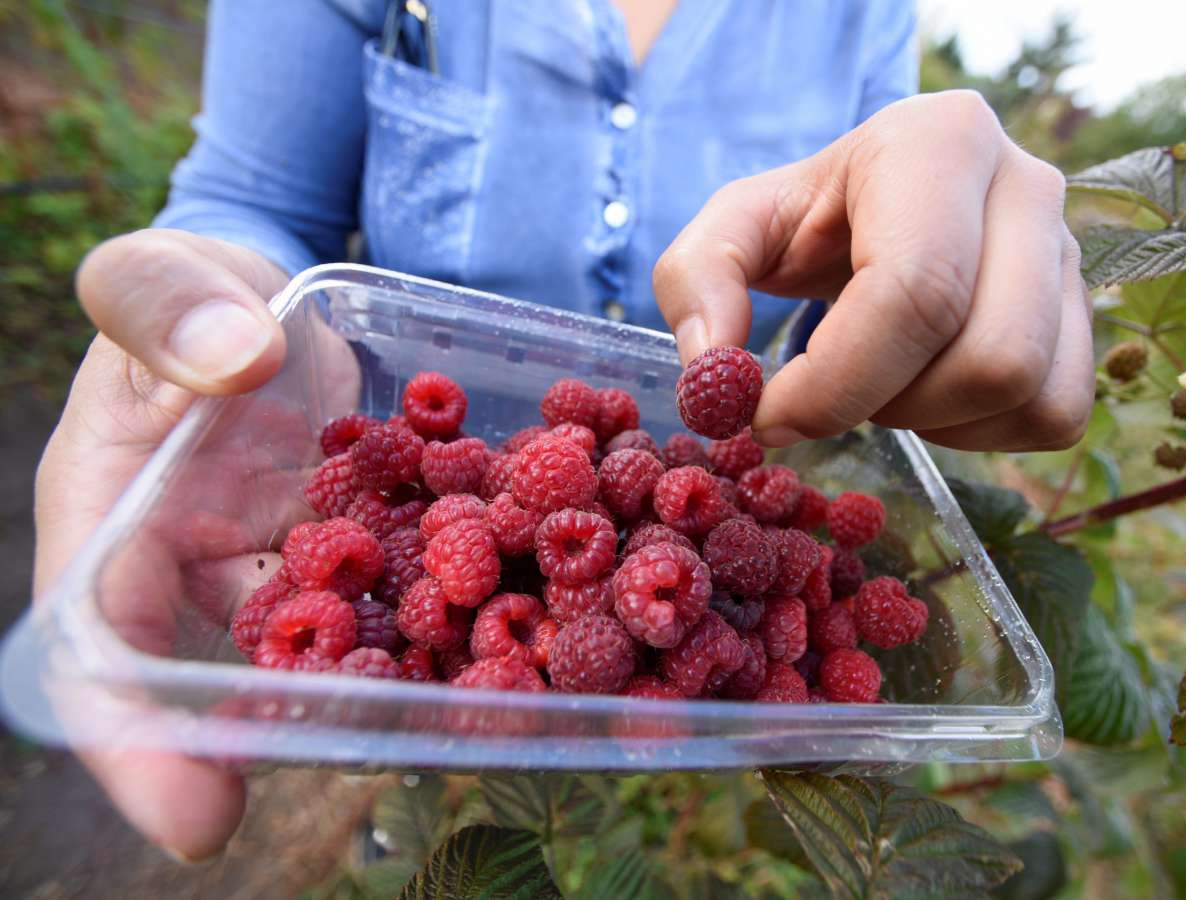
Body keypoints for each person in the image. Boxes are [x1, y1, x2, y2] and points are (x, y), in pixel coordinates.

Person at [33, 0, 1093, 861]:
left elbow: (848, 302)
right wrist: (228, 310)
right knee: (418, 827)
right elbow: (254, 193)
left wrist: (936, 294)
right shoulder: (426, 549)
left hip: (689, 493)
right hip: (403, 485)